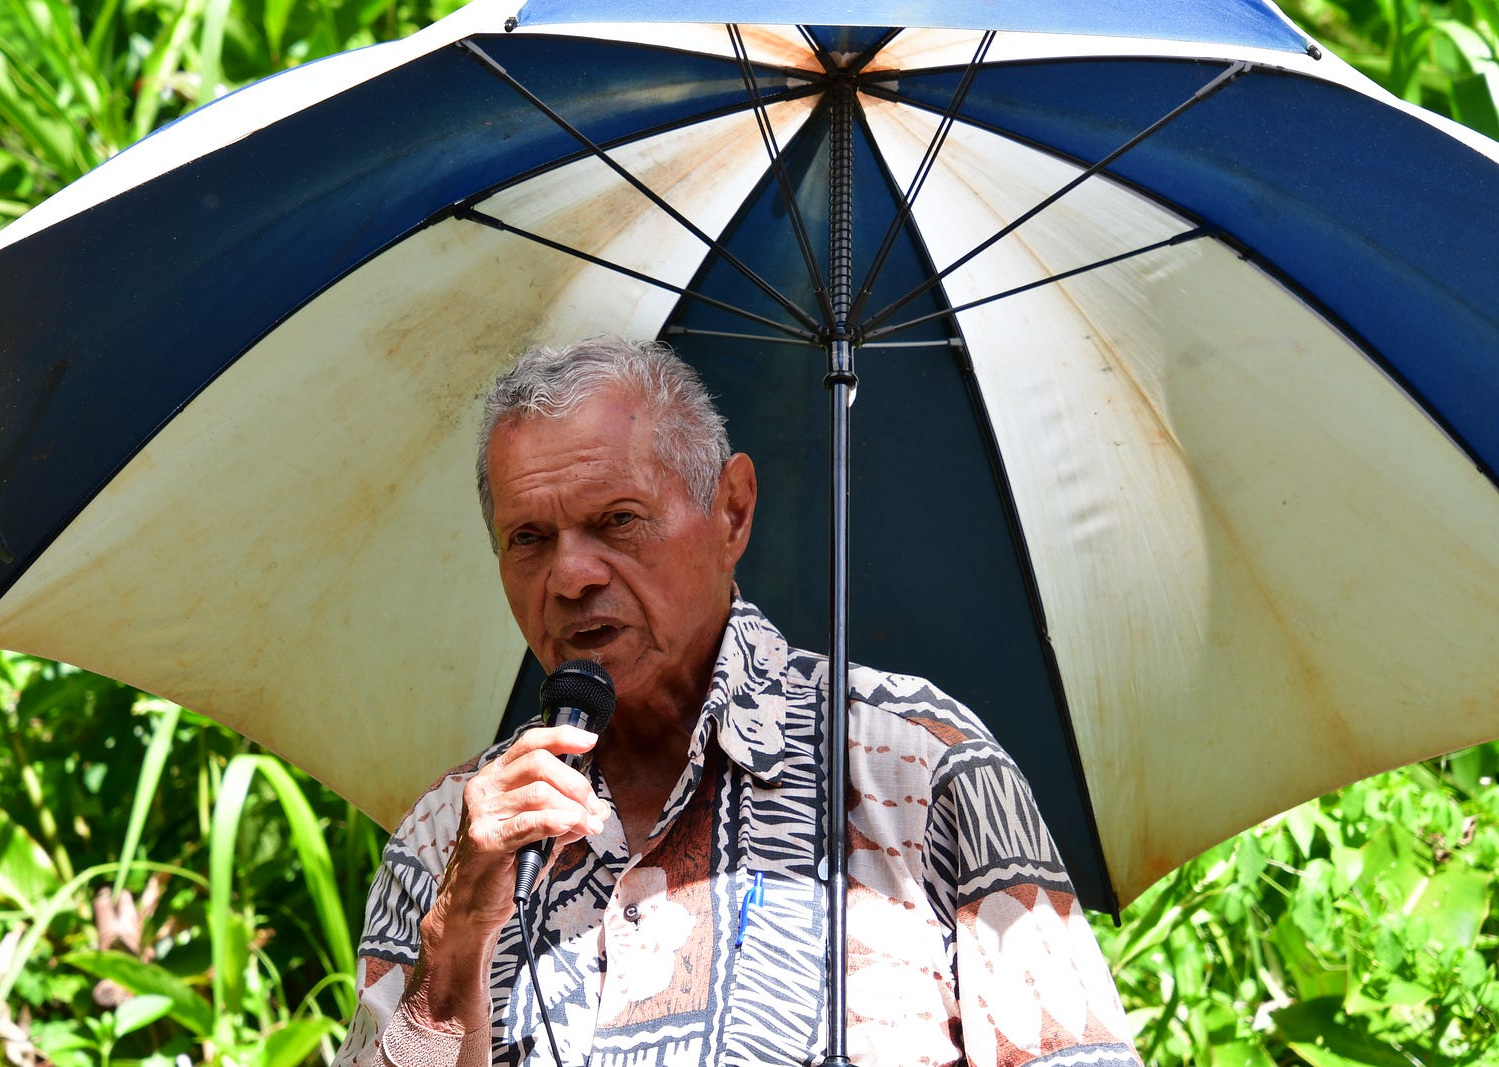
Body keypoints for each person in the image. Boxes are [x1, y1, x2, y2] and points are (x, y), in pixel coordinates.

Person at [335, 337, 1141, 1067]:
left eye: (617, 520)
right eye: (529, 539)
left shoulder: (922, 769)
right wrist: (451, 948)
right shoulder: (448, 836)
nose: (572, 576)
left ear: (733, 510)